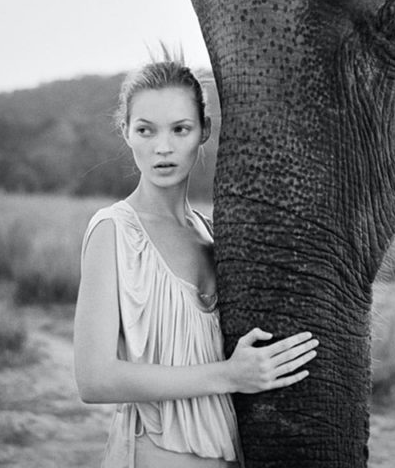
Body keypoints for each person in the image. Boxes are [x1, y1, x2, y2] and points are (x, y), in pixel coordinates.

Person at [74, 52, 318, 467]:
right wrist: (230, 375)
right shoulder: (114, 231)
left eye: (180, 129)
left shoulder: (213, 234)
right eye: (145, 130)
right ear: (126, 132)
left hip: (227, 454)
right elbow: (94, 379)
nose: (163, 148)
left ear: (204, 130)